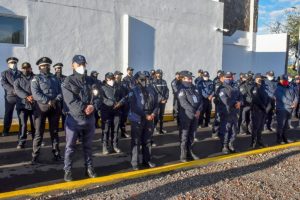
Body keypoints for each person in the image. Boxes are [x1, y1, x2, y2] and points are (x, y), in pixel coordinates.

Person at [62, 55, 101, 181]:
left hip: (89, 119)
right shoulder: (68, 81)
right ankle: (67, 170)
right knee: (70, 147)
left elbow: (98, 97)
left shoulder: (91, 81)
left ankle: (89, 167)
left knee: (88, 146)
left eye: (83, 64)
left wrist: (93, 107)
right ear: (73, 65)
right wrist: (84, 108)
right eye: (79, 64)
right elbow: (70, 101)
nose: (82, 66)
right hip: (74, 119)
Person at [31, 57, 63, 164]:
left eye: (48, 65)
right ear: (40, 67)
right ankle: (35, 156)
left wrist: (55, 100)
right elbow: (35, 94)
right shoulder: (36, 79)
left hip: (54, 108)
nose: (46, 67)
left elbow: (60, 92)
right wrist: (47, 101)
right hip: (41, 108)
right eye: (44, 66)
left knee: (54, 132)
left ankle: (57, 153)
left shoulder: (55, 78)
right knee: (39, 133)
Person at [128, 71, 159, 170]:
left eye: (146, 79)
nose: (144, 81)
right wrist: (145, 115)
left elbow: (156, 104)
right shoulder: (133, 90)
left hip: (150, 117)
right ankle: (135, 162)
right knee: (136, 141)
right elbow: (133, 106)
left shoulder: (151, 89)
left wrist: (153, 113)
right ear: (137, 80)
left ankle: (147, 160)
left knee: (147, 140)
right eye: (142, 79)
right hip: (138, 118)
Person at [177, 71, 203, 162]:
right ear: (183, 78)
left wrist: (199, 110)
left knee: (192, 135)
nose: (190, 79)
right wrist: (194, 111)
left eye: (191, 78)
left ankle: (190, 152)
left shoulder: (194, 88)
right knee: (184, 136)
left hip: (195, 115)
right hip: (186, 116)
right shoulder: (181, 89)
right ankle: (183, 155)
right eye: (188, 78)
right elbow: (183, 103)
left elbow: (200, 100)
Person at [101, 72, 126, 154]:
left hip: (117, 111)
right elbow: (102, 99)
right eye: (110, 78)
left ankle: (115, 145)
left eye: (113, 78)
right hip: (106, 111)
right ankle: (105, 146)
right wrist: (111, 103)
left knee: (115, 130)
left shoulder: (118, 87)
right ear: (106, 79)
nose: (112, 80)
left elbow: (124, 97)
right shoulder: (102, 88)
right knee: (106, 130)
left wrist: (120, 103)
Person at [218, 72, 242, 154]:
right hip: (226, 112)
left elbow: (240, 96)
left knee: (234, 130)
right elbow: (225, 101)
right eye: (227, 77)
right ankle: (224, 146)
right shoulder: (221, 88)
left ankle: (231, 144)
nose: (229, 79)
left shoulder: (235, 87)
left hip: (234, 113)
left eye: (230, 77)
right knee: (225, 130)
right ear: (224, 78)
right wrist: (236, 102)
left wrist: (240, 102)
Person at [14, 62, 35, 149]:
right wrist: (27, 96)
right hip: (22, 105)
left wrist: (33, 96)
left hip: (34, 105)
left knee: (35, 124)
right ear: (22, 69)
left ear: (30, 68)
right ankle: (21, 142)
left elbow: (39, 87)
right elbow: (17, 89)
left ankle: (36, 140)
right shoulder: (17, 78)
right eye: (24, 68)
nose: (25, 70)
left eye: (27, 68)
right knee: (23, 124)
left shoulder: (35, 77)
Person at [274, 74, 298, 144]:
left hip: (290, 109)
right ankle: (279, 139)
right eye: (284, 80)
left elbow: (296, 96)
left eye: (286, 80)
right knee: (281, 125)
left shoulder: (290, 87)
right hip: (282, 109)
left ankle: (284, 138)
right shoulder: (278, 88)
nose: (285, 81)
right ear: (280, 80)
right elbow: (282, 98)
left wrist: (295, 102)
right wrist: (291, 103)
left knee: (286, 125)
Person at [1, 57, 21, 136]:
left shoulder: (21, 73)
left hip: (20, 97)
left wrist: (20, 92)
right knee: (8, 114)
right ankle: (6, 130)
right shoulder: (4, 73)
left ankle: (23, 129)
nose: (13, 64)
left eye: (14, 62)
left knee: (22, 114)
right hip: (10, 97)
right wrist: (13, 90)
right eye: (11, 62)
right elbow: (4, 84)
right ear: (8, 64)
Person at [250, 73, 270, 148]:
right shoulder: (254, 87)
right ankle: (253, 143)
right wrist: (263, 107)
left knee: (260, 127)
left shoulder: (263, 87)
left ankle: (259, 141)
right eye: (259, 78)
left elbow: (267, 98)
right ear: (256, 78)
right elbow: (256, 99)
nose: (261, 79)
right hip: (257, 109)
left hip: (263, 110)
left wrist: (267, 106)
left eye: (261, 78)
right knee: (256, 127)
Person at [152, 69, 169, 134]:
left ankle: (161, 129)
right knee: (156, 115)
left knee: (162, 115)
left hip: (163, 101)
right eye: (158, 73)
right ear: (156, 74)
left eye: (160, 73)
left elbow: (167, 91)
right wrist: (161, 99)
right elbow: (155, 92)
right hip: (157, 102)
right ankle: (154, 128)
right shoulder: (154, 82)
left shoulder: (164, 82)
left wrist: (166, 99)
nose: (159, 74)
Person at [115, 70, 129, 138]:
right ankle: (115, 134)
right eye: (119, 74)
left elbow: (128, 93)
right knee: (116, 120)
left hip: (124, 104)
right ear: (115, 75)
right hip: (116, 105)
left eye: (121, 74)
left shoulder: (124, 83)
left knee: (123, 120)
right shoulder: (112, 84)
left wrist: (122, 101)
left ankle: (123, 133)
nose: (120, 76)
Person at [53, 63, 67, 131]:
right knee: (56, 115)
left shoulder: (65, 78)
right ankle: (55, 128)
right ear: (55, 69)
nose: (59, 70)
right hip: (56, 99)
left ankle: (64, 128)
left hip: (64, 99)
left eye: (60, 68)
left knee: (64, 114)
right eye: (57, 68)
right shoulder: (52, 78)